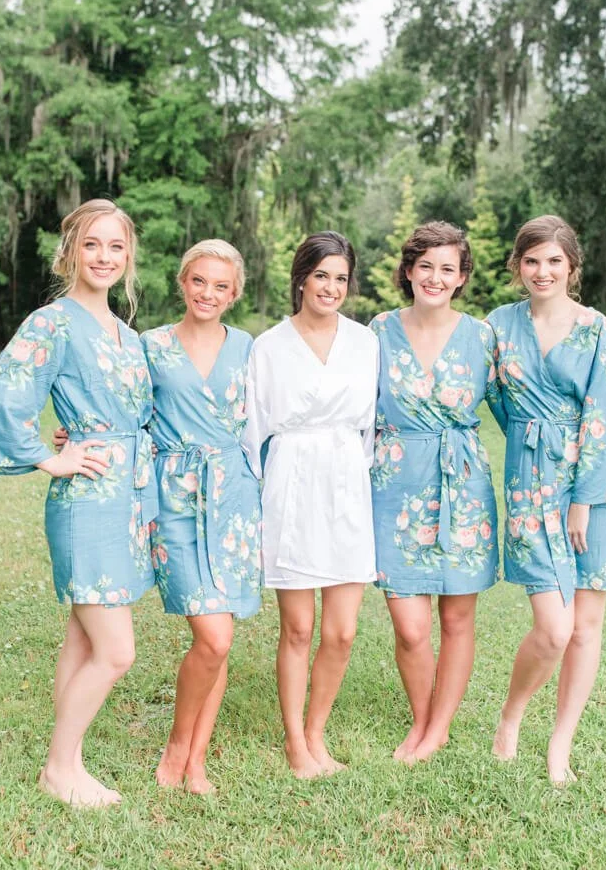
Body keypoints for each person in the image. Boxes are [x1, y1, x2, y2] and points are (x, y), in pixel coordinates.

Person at [0, 199, 157, 807]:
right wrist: (52, 458)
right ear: (70, 250)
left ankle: (70, 762)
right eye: (92, 244)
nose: (104, 257)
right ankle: (57, 768)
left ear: (128, 258)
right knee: (116, 651)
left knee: (83, 637)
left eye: (116, 246)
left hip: (128, 498)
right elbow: (4, 397)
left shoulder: (127, 334)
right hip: (87, 499)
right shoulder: (51, 322)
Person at [486, 215, 606, 785]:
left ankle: (560, 745)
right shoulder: (499, 326)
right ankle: (511, 715)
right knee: (554, 627)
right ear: (517, 265)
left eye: (554, 261)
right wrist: (530, 443)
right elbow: (494, 398)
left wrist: (583, 498)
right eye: (532, 260)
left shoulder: (595, 328)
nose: (542, 271)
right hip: (530, 481)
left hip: (593, 488)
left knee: (585, 626)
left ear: (571, 266)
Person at [244, 232, 378, 778]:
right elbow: (250, 430)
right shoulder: (269, 347)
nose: (331, 287)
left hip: (346, 483)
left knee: (342, 631)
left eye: (341, 278)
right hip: (293, 484)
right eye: (321, 275)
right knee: (298, 628)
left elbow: (371, 426)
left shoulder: (365, 343)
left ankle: (318, 731)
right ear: (301, 279)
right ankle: (295, 742)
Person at [370, 221, 499, 763]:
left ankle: (436, 729)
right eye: (425, 266)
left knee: (458, 619)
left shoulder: (482, 337)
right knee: (410, 626)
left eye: (448, 268)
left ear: (462, 277)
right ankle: (423, 719)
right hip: (394, 485)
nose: (435, 277)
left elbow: (517, 407)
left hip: (462, 485)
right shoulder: (378, 331)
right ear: (408, 270)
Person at [142, 240, 261, 795]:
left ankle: (197, 759)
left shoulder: (248, 347)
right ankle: (175, 746)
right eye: (199, 281)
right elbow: (126, 410)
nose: (207, 293)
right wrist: (77, 434)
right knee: (212, 636)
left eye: (220, 285)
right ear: (182, 282)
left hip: (234, 496)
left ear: (234, 293)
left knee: (222, 637)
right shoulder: (151, 345)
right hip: (175, 496)